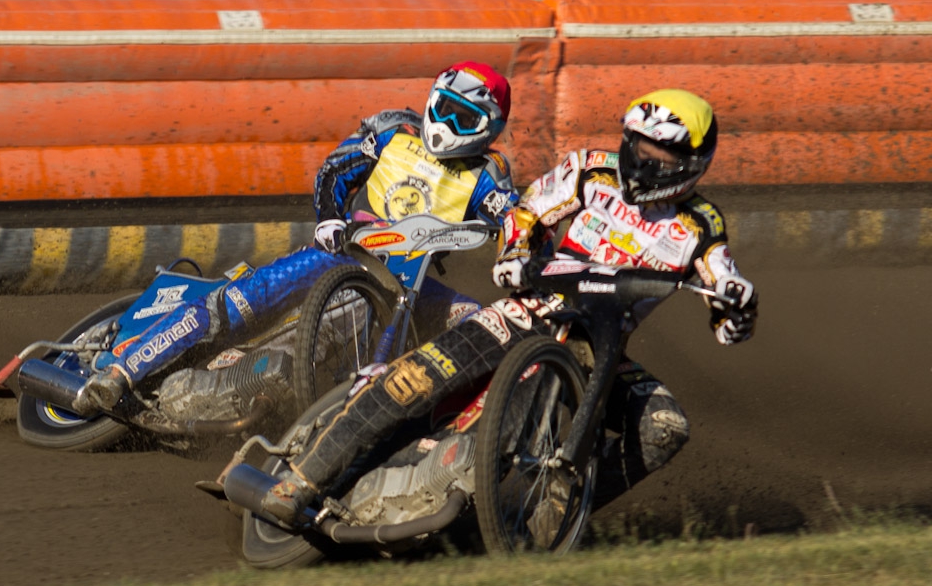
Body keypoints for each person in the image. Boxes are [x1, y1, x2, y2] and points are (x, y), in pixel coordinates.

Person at [255, 88, 759, 525]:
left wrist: (737, 307)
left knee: (664, 425)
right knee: (414, 380)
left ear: (690, 165)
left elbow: (723, 289)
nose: (643, 160)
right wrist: (515, 253)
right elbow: (527, 211)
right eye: (638, 145)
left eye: (659, 155)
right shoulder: (590, 170)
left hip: (598, 347)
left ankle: (546, 516)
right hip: (530, 311)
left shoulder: (700, 224)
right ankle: (299, 483)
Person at [72, 61, 518, 416]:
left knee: (479, 321)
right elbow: (334, 172)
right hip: (344, 252)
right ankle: (122, 371)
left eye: (464, 118)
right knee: (244, 299)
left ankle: (451, 427)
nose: (447, 123)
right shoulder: (392, 131)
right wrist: (329, 219)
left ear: (489, 128)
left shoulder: (489, 173)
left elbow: (511, 215)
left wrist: (516, 249)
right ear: (432, 99)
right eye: (444, 108)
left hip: (412, 282)